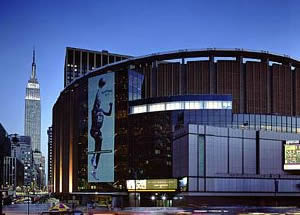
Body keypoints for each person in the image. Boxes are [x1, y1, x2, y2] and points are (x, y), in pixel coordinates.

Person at [90, 78, 113, 180]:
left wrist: (111, 106)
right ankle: (93, 158)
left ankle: (94, 169)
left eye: (100, 102)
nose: (99, 103)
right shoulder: (94, 110)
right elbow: (96, 98)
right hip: (93, 130)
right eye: (98, 102)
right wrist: (100, 88)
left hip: (98, 131)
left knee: (99, 148)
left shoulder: (101, 110)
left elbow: (109, 113)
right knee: (99, 140)